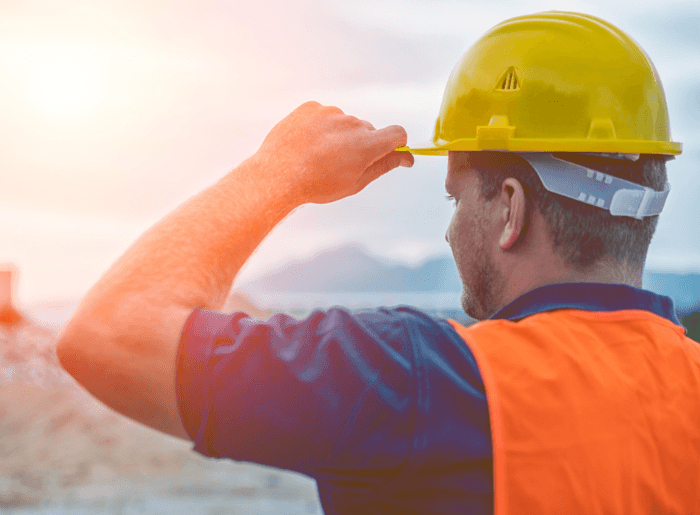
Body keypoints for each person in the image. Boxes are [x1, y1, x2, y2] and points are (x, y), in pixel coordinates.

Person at [56, 11, 700, 514]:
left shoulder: (419, 383)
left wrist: (277, 173)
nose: (449, 233)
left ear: (511, 208)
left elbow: (107, 334)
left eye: (455, 199)